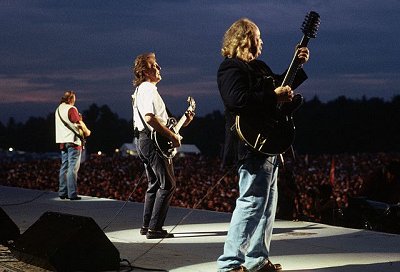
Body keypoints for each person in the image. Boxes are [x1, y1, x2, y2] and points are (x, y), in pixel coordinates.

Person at [217, 18, 310, 272]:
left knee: (267, 207)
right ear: (245, 39)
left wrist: (297, 65)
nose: (262, 42)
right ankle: (229, 263)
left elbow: (280, 85)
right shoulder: (231, 68)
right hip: (249, 145)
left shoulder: (258, 67)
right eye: (258, 37)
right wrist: (273, 95)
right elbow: (237, 100)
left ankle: (256, 260)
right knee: (251, 202)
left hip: (269, 144)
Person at [132, 52, 194, 239]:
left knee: (154, 184)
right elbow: (151, 119)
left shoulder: (141, 90)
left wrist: (185, 120)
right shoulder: (148, 89)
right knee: (168, 184)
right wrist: (173, 136)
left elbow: (163, 123)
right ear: (144, 70)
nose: (159, 68)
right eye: (154, 65)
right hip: (151, 141)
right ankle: (154, 229)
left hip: (143, 140)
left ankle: (146, 226)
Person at [55, 90, 91, 201]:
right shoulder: (71, 108)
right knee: (72, 168)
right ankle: (72, 194)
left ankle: (62, 192)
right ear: (71, 99)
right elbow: (78, 123)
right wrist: (87, 130)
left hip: (62, 141)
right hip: (73, 141)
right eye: (74, 99)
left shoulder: (58, 109)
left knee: (64, 167)